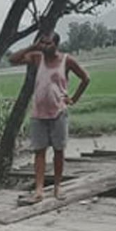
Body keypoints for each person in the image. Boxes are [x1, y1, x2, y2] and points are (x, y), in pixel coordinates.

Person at [8, 31, 90, 203]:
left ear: (56, 44)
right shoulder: (38, 58)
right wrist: (32, 46)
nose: (45, 47)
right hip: (39, 113)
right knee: (39, 152)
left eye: (48, 44)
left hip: (58, 112)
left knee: (59, 151)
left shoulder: (66, 60)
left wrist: (73, 98)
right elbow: (13, 59)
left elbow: (85, 78)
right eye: (43, 43)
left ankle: (57, 187)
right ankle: (39, 189)